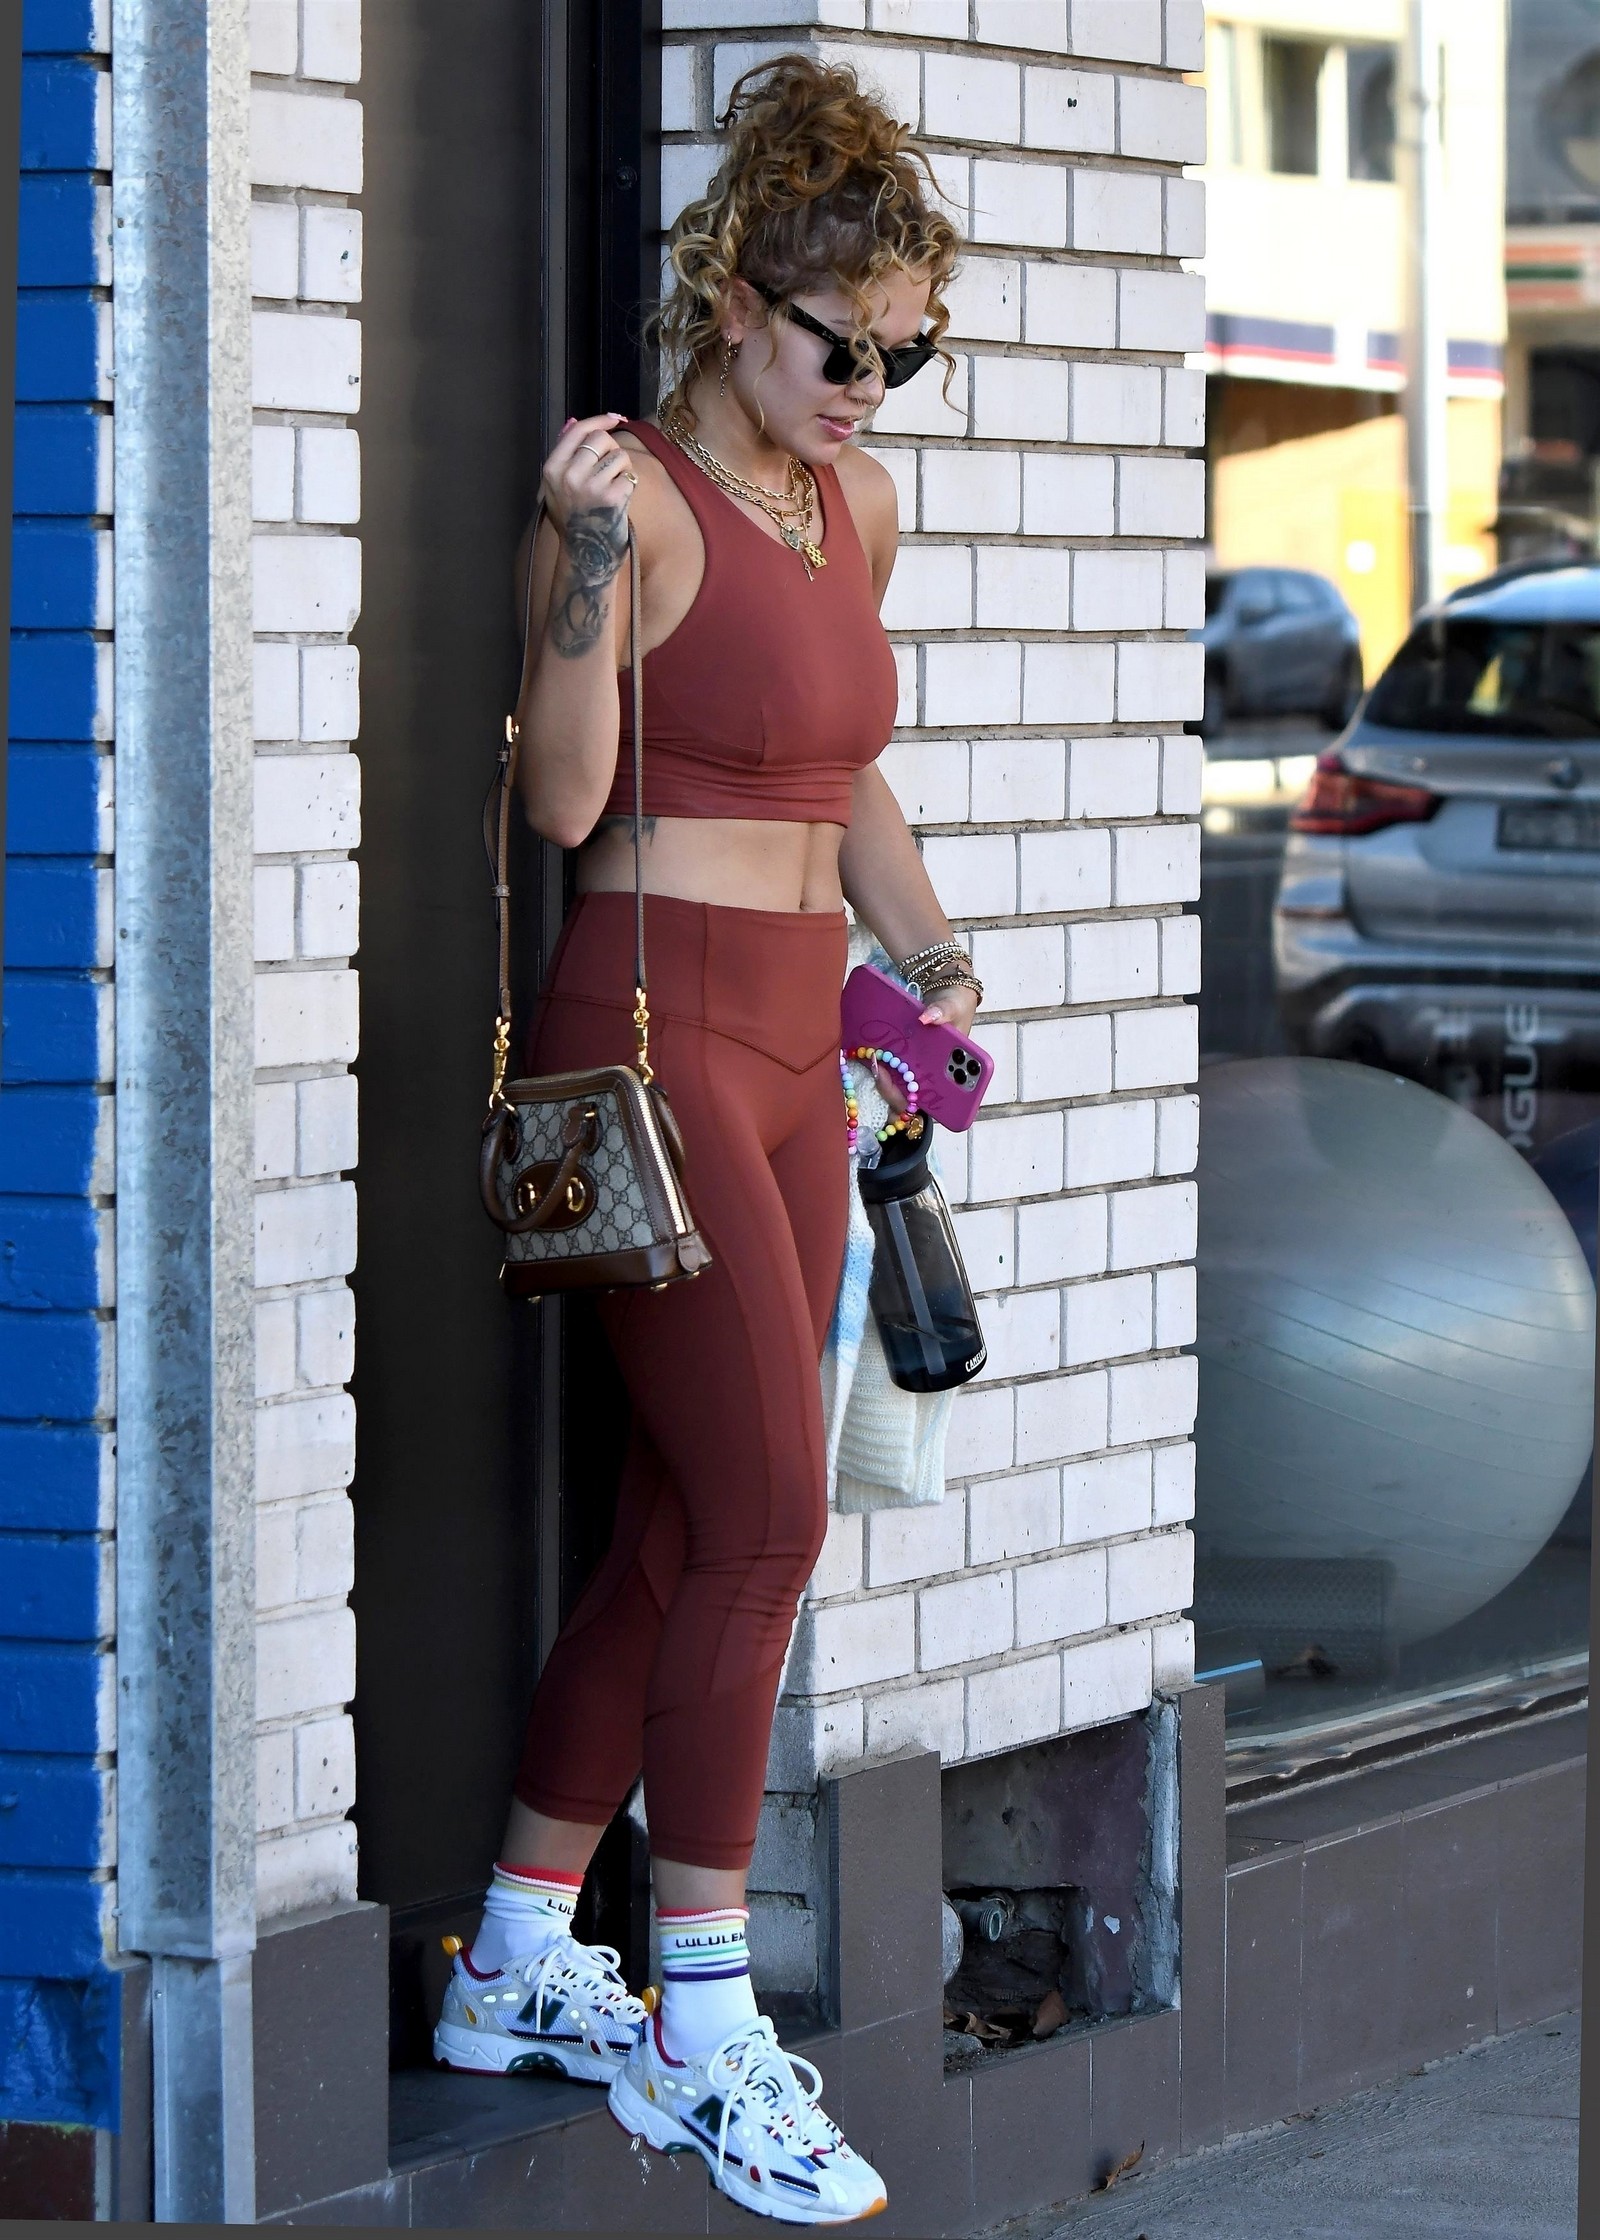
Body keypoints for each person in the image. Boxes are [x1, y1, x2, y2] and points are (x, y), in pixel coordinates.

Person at [434, 54, 979, 2226]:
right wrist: (575, 568)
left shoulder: (858, 509)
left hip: (798, 1056)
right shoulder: (633, 501)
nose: (867, 388)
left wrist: (928, 955)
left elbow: (842, 768)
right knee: (764, 1516)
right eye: (840, 344)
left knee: (678, 1527)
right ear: (738, 298)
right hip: (649, 1047)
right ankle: (699, 2018)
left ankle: (509, 1960)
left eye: (905, 353)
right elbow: (564, 800)